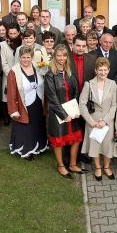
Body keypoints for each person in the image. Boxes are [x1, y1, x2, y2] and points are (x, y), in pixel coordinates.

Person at [45, 44, 83, 178]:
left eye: (64, 55)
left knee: (77, 138)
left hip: (71, 112)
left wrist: (75, 110)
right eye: (59, 55)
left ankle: (72, 164)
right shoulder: (50, 75)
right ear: (54, 57)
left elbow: (76, 92)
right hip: (58, 114)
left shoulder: (69, 72)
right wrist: (64, 114)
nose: (62, 58)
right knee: (59, 141)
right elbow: (52, 99)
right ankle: (61, 166)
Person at [78, 57, 117, 180]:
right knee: (95, 146)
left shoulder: (113, 84)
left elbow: (114, 105)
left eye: (105, 70)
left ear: (109, 70)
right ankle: (98, 167)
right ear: (96, 70)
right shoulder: (88, 84)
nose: (103, 73)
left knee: (107, 146)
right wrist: (91, 121)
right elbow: (82, 104)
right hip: (93, 122)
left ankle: (106, 166)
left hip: (107, 122)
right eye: (100, 70)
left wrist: (105, 121)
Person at [7, 46, 48, 159]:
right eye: (23, 57)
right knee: (25, 127)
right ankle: (26, 150)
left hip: (38, 101)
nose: (26, 60)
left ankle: (38, 146)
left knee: (38, 125)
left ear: (32, 57)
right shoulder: (13, 72)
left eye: (28, 57)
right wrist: (13, 110)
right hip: (23, 104)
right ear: (20, 58)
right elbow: (11, 93)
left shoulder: (38, 67)